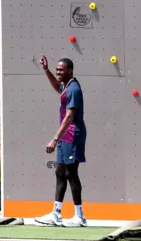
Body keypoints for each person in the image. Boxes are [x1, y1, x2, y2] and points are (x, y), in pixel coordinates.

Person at [34, 55, 87, 227]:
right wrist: (46, 70)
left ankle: (80, 217)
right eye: (57, 69)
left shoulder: (74, 89)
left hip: (72, 135)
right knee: (60, 173)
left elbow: (70, 116)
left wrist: (54, 139)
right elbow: (57, 86)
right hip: (65, 135)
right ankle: (56, 213)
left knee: (71, 174)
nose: (58, 72)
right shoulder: (66, 85)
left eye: (61, 70)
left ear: (70, 71)